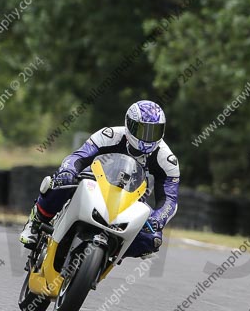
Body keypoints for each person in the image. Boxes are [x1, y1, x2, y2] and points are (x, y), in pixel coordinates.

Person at [20, 100, 180, 258]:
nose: (147, 137)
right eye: (142, 130)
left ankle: (110, 253)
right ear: (129, 124)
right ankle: (36, 221)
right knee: (64, 181)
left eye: (153, 131)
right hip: (94, 184)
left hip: (131, 200)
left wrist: (158, 219)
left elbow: (169, 199)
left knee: (152, 239)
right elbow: (78, 157)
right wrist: (68, 171)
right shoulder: (109, 135)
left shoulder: (167, 159)